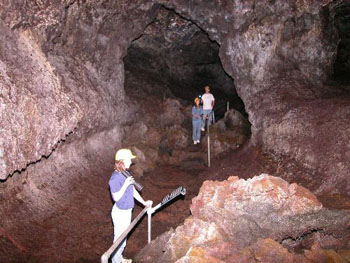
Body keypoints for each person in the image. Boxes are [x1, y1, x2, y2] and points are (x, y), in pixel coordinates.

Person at [109, 149, 153, 263]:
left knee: (123, 238)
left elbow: (132, 190)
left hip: (127, 211)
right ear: (122, 161)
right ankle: (115, 261)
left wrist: (143, 202)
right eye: (129, 159)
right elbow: (116, 198)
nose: (131, 161)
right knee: (119, 238)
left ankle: (118, 258)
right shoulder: (115, 178)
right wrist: (125, 184)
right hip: (120, 212)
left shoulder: (125, 173)